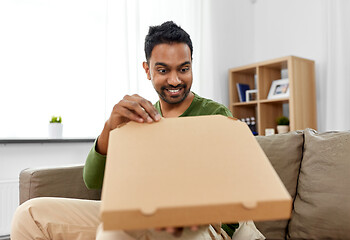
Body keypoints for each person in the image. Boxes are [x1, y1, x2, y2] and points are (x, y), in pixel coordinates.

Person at [11, 21, 246, 240]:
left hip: (198, 225)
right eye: (163, 71)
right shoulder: (137, 117)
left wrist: (221, 229)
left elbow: (240, 187)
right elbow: (92, 180)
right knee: (30, 214)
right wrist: (110, 126)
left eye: (183, 69)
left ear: (192, 64)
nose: (175, 80)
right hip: (139, 214)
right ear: (147, 70)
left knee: (115, 230)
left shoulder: (215, 116)